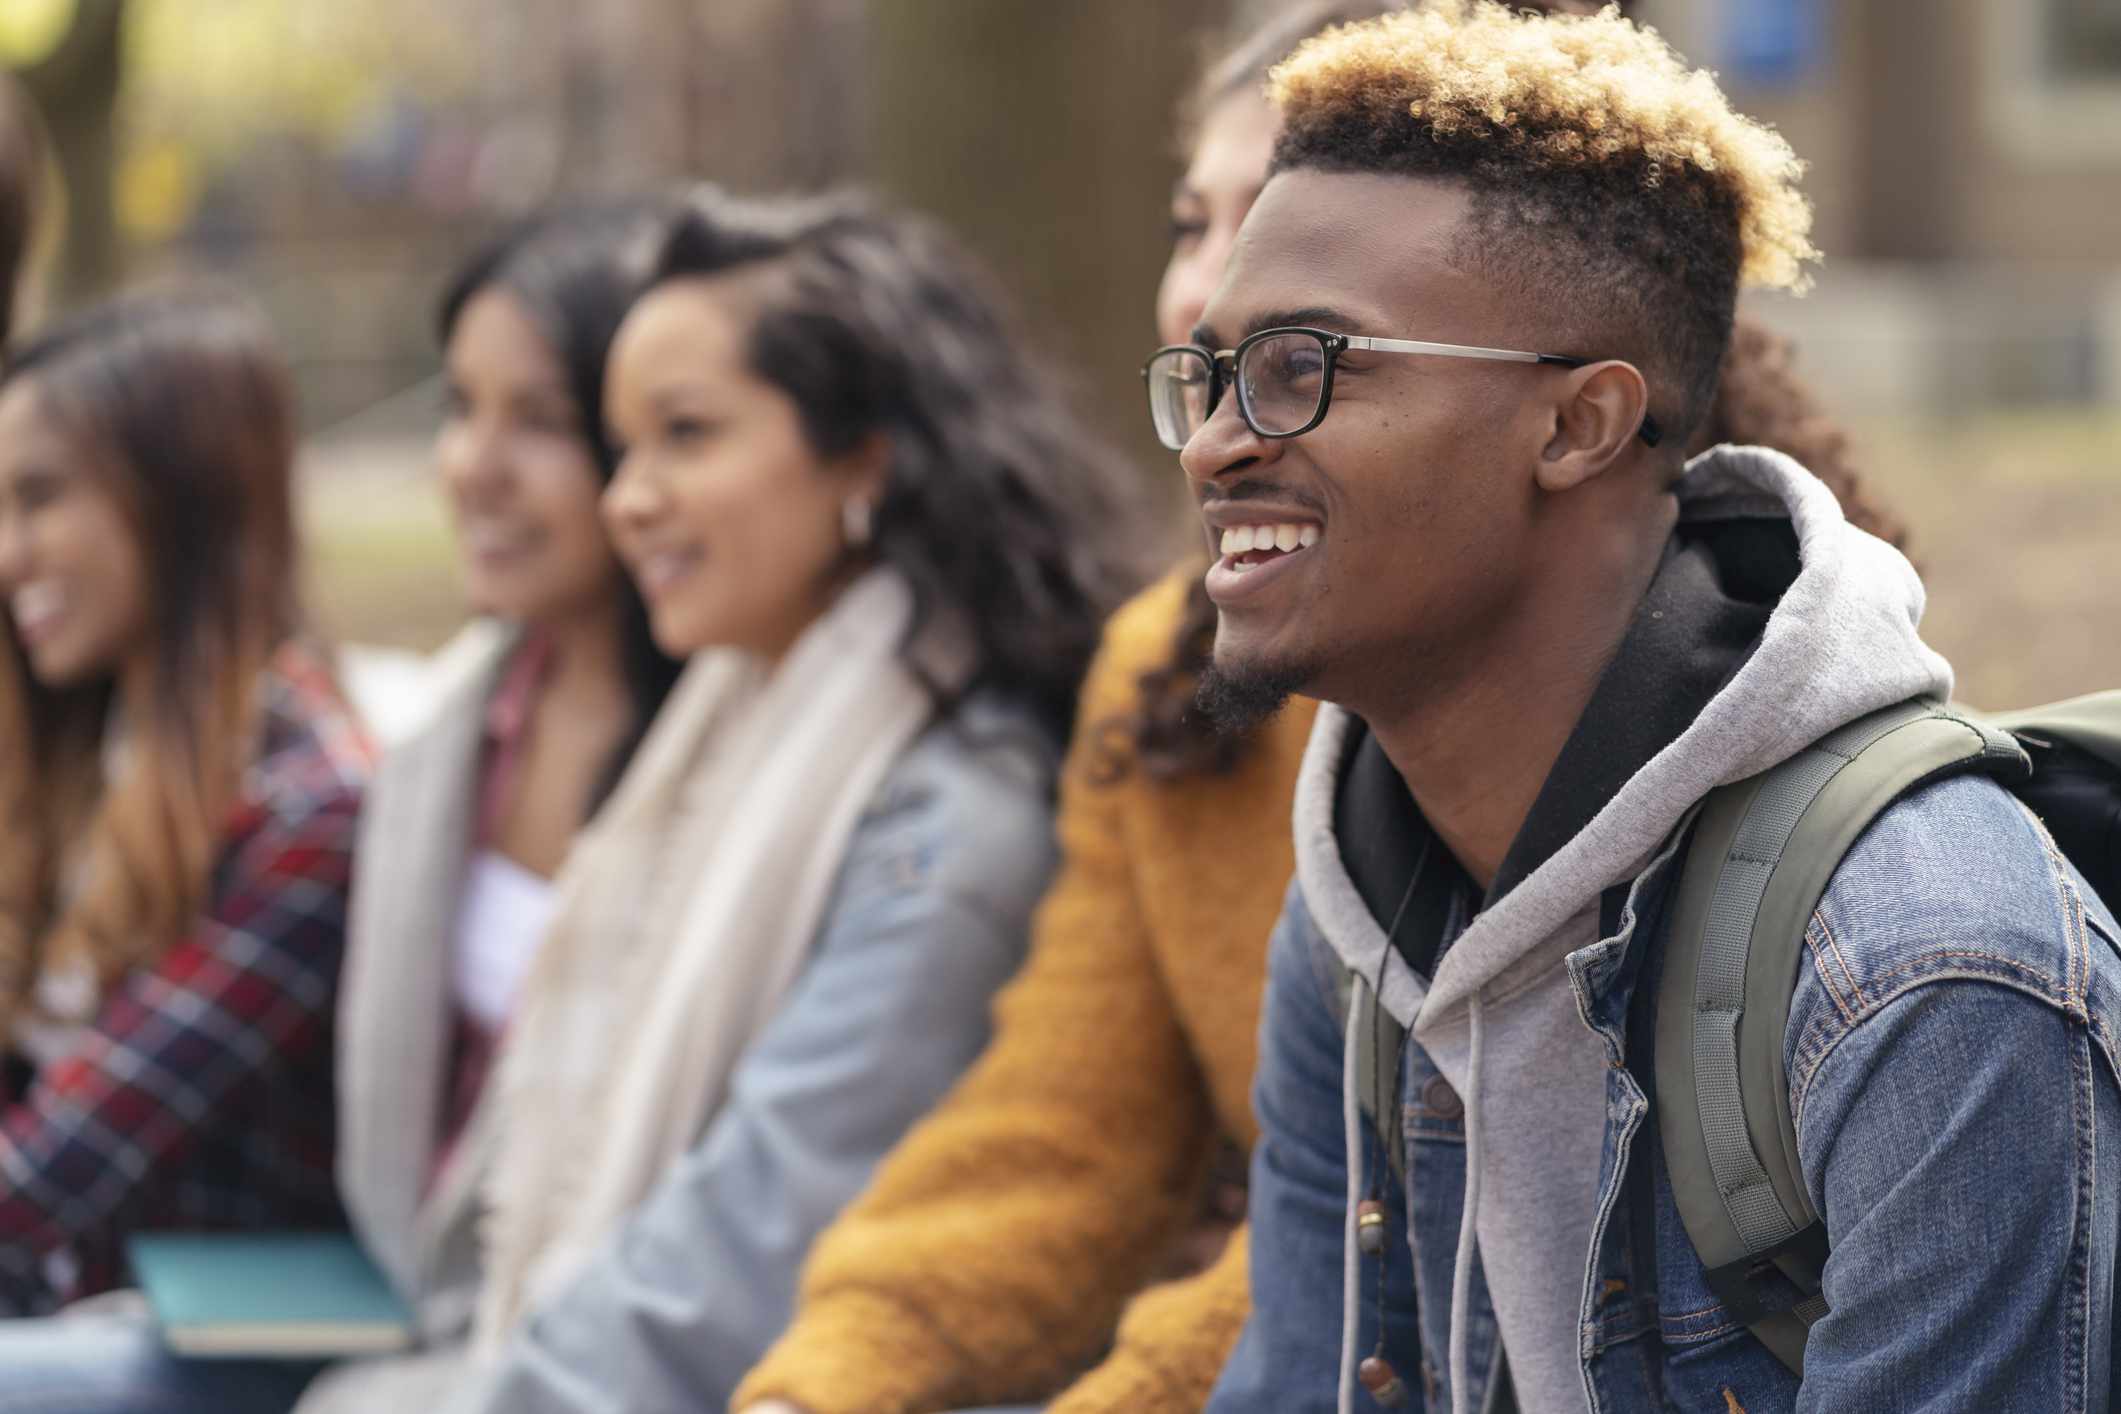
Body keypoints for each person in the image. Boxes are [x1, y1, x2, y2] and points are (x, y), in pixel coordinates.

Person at [734, 4, 1917, 1414]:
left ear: (1577, 421)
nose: (1219, 399)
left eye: (1308, 351)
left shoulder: (1897, 957)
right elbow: (1078, 1145)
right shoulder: (1353, 885)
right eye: (1195, 233)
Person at [1157, 5, 2118, 1411]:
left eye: (1306, 367)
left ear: (1577, 424)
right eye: (1209, 375)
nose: (1224, 440)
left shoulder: (1924, 972)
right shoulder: (1355, 930)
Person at [308, 187, 1151, 1414]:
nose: (626, 498)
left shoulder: (951, 822)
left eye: (685, 436)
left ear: (866, 457)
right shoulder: (718, 735)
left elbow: (748, 1252)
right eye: (621, 445)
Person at [317, 202, 687, 1405]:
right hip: (392, 1310)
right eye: (461, 406)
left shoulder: (724, 764)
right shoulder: (450, 732)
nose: (474, 464)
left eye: (538, 420)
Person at [0, 287, 372, 1405]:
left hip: (215, 1344)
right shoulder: (76, 755)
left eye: (40, 498)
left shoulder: (311, 807)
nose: (8, 553)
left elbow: (55, 1173)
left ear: (179, 498)